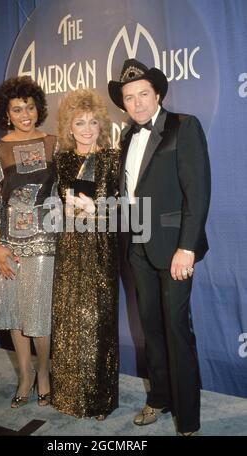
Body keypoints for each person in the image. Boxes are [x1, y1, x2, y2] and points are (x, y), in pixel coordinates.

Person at [108, 59, 211, 435]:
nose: (136, 104)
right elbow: (130, 197)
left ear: (158, 94)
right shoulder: (124, 137)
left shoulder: (184, 127)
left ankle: (189, 418)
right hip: (136, 247)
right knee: (150, 328)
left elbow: (197, 194)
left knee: (176, 330)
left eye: (143, 95)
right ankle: (160, 398)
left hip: (174, 250)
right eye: (129, 98)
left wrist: (187, 248)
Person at [0, 76, 57, 408]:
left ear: (39, 109)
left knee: (37, 315)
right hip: (7, 244)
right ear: (7, 113)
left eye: (30, 107)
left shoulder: (54, 143)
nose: (25, 115)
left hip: (45, 244)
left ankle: (44, 374)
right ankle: (25, 376)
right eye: (17, 109)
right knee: (13, 314)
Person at [51, 88, 120, 420]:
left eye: (93, 122)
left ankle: (100, 399)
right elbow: (54, 209)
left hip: (100, 248)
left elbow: (124, 209)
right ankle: (67, 394)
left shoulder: (111, 158)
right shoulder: (62, 159)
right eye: (80, 122)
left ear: (101, 124)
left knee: (99, 322)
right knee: (69, 321)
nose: (87, 129)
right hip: (69, 247)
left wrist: (97, 209)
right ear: (69, 126)